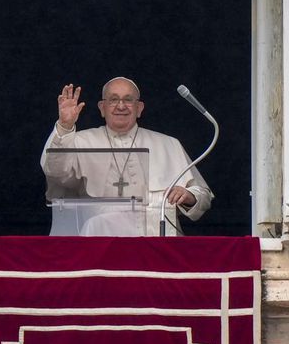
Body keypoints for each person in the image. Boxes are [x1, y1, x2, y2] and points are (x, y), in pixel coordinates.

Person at [41, 77, 214, 236]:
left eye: (128, 100)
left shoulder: (169, 144)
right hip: (100, 241)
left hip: (160, 242)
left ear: (139, 109)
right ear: (102, 108)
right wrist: (65, 126)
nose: (121, 106)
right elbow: (55, 172)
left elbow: (203, 195)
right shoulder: (80, 141)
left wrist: (189, 196)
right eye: (113, 99)